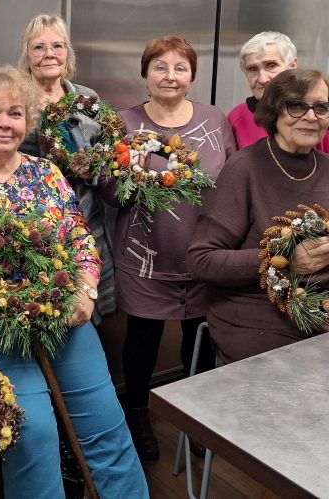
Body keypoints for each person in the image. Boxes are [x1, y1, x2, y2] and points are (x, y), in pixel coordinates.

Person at [0, 66, 148, 499]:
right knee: (32, 431)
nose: (4, 122)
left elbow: (79, 239)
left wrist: (85, 289)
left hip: (61, 319)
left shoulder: (46, 174)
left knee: (105, 422)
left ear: (28, 122)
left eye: (15, 113)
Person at [187, 68, 329, 363]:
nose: (310, 116)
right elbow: (203, 260)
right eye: (296, 105)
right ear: (275, 110)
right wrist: (284, 259)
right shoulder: (245, 168)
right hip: (260, 319)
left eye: (321, 107)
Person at [101, 36, 235, 461]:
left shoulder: (215, 120)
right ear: (145, 75)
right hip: (146, 256)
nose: (170, 76)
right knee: (142, 341)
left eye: (180, 67)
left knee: (198, 338)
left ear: (192, 75)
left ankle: (195, 418)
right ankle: (138, 416)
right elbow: (107, 192)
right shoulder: (122, 123)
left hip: (204, 255)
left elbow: (232, 184)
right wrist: (128, 177)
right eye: (159, 66)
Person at [0, 14, 116, 323]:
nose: (49, 54)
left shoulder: (86, 98)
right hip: (33, 225)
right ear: (27, 53)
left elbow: (104, 151)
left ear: (68, 52)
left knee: (83, 304)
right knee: (40, 304)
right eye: (38, 47)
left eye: (58, 45)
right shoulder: (14, 94)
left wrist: (102, 165)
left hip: (83, 217)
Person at [228, 31, 329, 192]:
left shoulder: (320, 114)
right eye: (252, 69)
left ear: (292, 65)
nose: (262, 78)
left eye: (271, 65)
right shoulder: (237, 117)